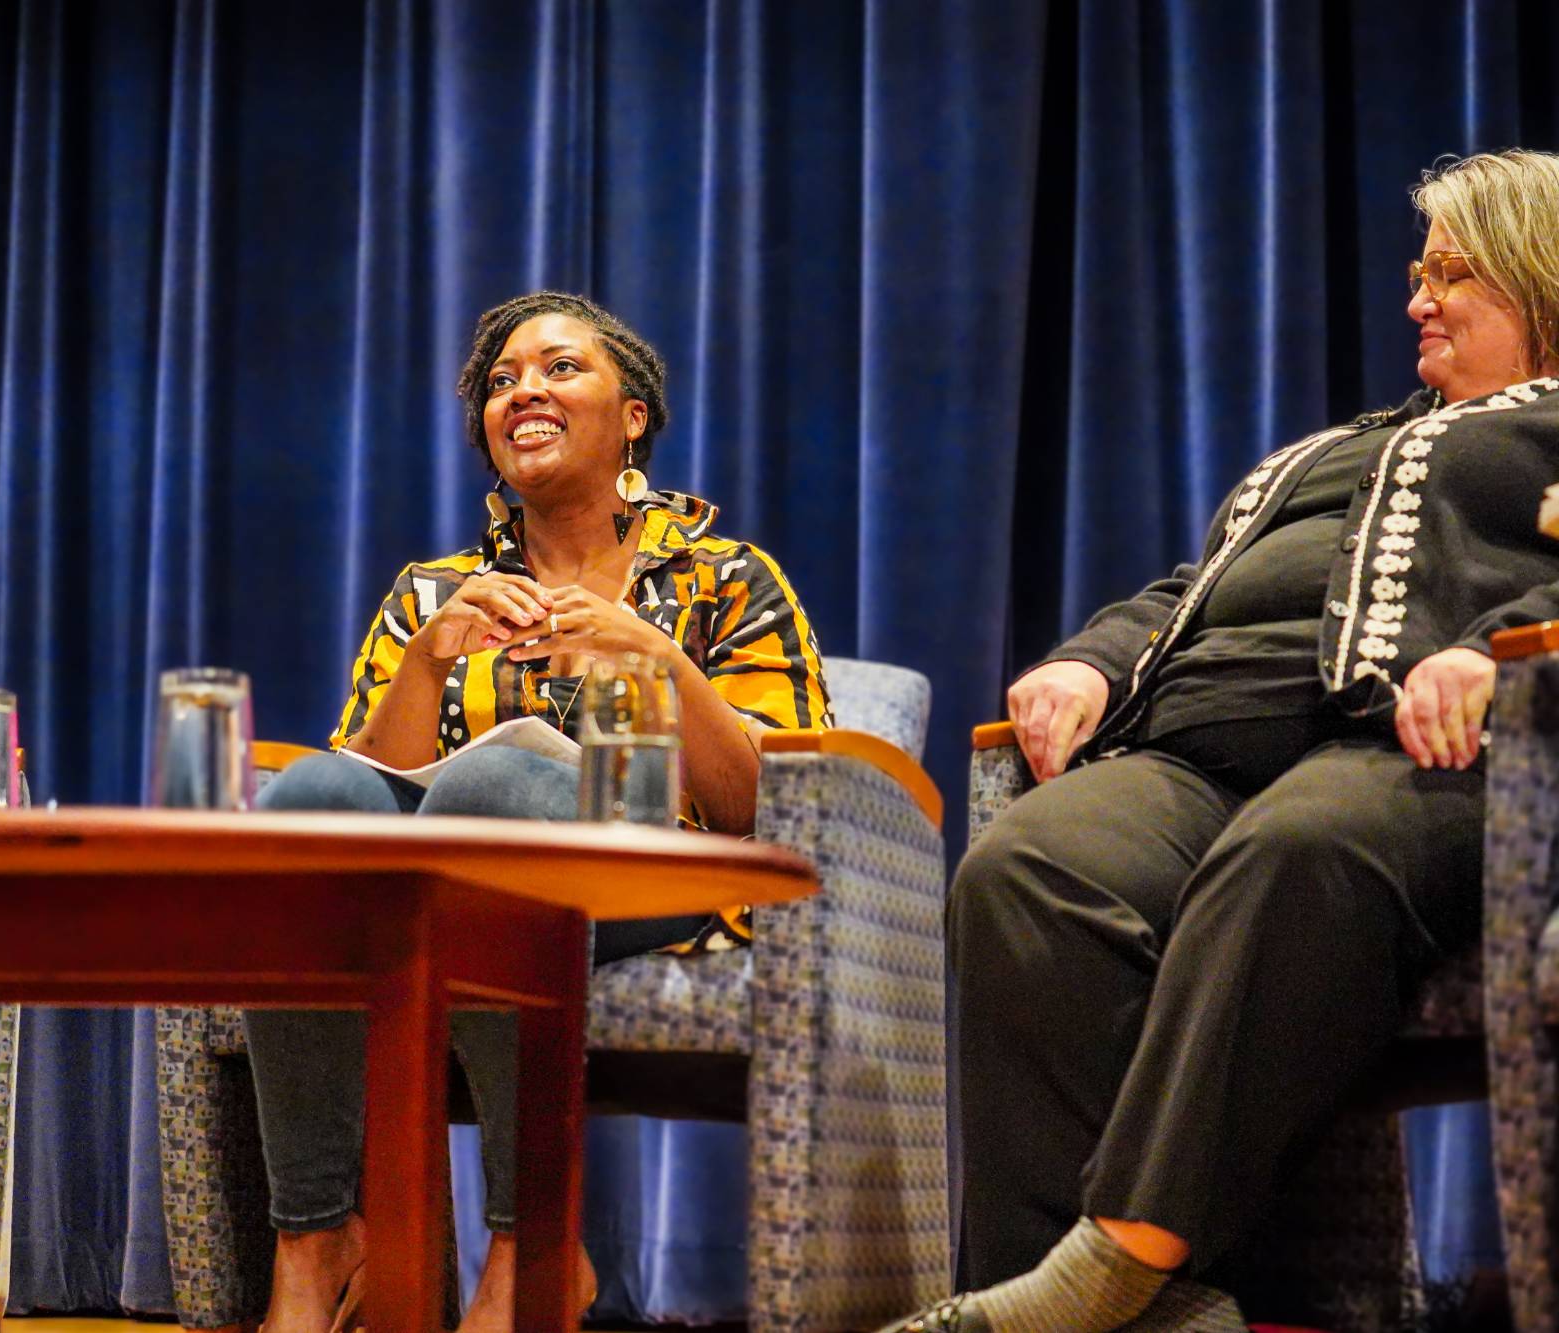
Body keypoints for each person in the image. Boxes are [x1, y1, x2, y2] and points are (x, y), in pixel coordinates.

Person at [886, 149, 1559, 1333]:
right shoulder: (1336, 445)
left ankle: (1095, 1280)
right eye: (1415, 272)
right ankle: (1125, 1312)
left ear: (1536, 281)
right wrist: (1085, 660)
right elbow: (1192, 589)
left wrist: (1492, 646)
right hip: (1191, 748)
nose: (1414, 300)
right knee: (1027, 869)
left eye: (1449, 274)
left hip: (1417, 747)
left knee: (1292, 854)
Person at [247, 291, 831, 1331]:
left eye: (559, 369)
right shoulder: (434, 592)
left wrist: (652, 656)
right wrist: (428, 663)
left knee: (487, 797)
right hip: (455, 877)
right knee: (307, 797)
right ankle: (316, 1231)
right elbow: (364, 791)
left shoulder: (725, 580)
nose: (522, 390)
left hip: (665, 879)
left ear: (633, 414)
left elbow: (759, 802)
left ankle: (535, 1244)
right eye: (501, 382)